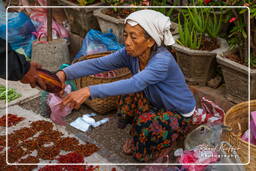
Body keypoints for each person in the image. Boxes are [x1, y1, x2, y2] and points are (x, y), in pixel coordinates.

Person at [56, 9, 196, 162]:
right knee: (127, 93)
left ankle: (163, 143)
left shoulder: (162, 61)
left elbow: (136, 83)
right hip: (157, 102)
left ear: (150, 41)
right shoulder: (130, 55)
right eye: (125, 35)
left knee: (146, 124)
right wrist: (64, 73)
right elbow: (99, 64)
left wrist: (88, 91)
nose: (127, 42)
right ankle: (138, 134)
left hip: (178, 113)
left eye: (133, 37)